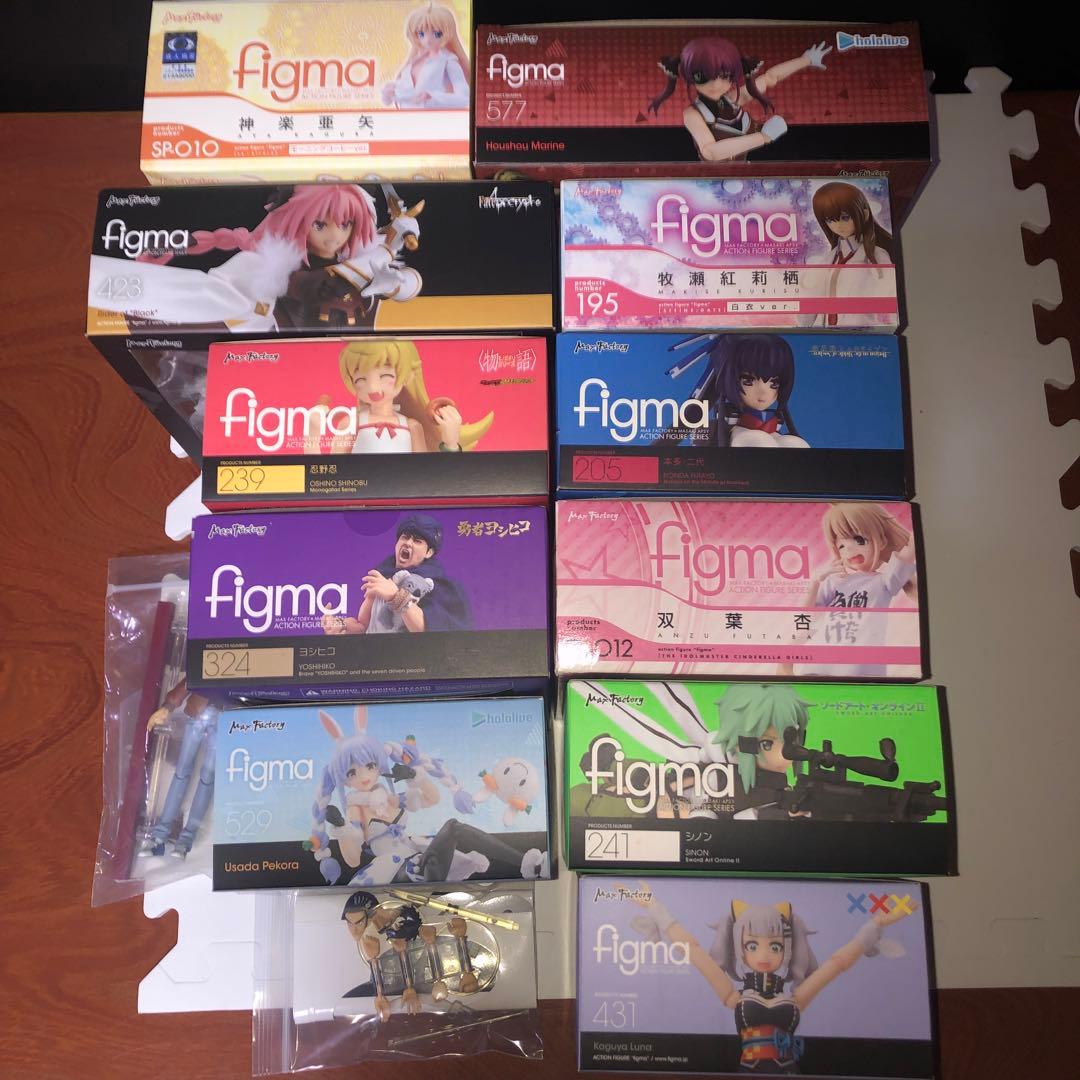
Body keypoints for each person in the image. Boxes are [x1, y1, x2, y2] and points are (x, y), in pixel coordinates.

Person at [648, 37, 831, 162]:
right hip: (711, 180)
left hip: (742, 174)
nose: (715, 84)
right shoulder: (693, 113)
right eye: (702, 77)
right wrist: (763, 137)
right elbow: (710, 151)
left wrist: (806, 60)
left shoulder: (732, 99)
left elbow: (769, 78)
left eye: (724, 76)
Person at [321, 512, 473, 635]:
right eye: (405, 537)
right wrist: (340, 625)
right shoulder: (381, 576)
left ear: (429, 552)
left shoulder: (439, 586)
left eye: (417, 541)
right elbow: (362, 625)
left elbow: (427, 631)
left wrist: (396, 596)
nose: (408, 543)